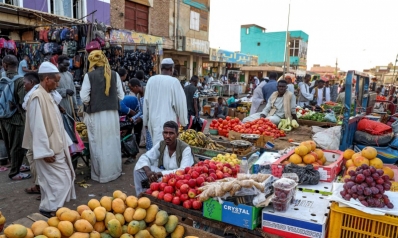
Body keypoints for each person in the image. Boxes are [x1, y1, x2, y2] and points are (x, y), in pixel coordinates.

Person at [22, 62, 76, 217]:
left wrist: (66, 143)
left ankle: (49, 209)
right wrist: (44, 152)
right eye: (56, 81)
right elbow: (37, 127)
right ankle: (47, 210)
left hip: (56, 146)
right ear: (47, 79)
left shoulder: (49, 95)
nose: (58, 84)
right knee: (59, 182)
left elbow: (56, 122)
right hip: (48, 151)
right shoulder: (37, 97)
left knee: (54, 183)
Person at [80, 50, 125, 183]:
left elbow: (84, 97)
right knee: (112, 142)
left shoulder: (89, 76)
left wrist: (93, 102)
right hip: (112, 115)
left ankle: (100, 174)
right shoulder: (115, 75)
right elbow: (121, 96)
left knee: (98, 144)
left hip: (96, 116)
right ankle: (113, 172)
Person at [133, 121, 194, 195]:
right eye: (165, 133)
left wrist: (162, 173)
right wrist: (148, 171)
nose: (167, 136)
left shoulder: (185, 148)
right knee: (139, 169)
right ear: (163, 134)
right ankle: (142, 195)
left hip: (179, 180)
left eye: (171, 133)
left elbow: (183, 170)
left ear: (177, 135)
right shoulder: (161, 144)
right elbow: (146, 157)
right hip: (163, 175)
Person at [143, 58, 188, 146]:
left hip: (153, 121)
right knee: (167, 149)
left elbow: (146, 103)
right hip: (169, 122)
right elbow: (180, 104)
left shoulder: (151, 80)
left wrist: (146, 121)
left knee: (156, 147)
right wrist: (184, 122)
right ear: (172, 69)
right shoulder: (174, 82)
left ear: (161, 68)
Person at [0, 55, 29, 180]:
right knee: (17, 146)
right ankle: (14, 172)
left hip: (3, 117)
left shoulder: (1, 79)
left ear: (5, 65)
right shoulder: (20, 81)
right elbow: (23, 103)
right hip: (16, 119)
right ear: (17, 65)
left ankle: (16, 166)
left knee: (9, 144)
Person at [128, 78, 152, 150]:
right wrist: (134, 118)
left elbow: (150, 110)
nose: (131, 91)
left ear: (136, 86)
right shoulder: (138, 96)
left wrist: (141, 118)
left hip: (151, 120)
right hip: (146, 121)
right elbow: (141, 111)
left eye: (131, 88)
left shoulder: (148, 92)